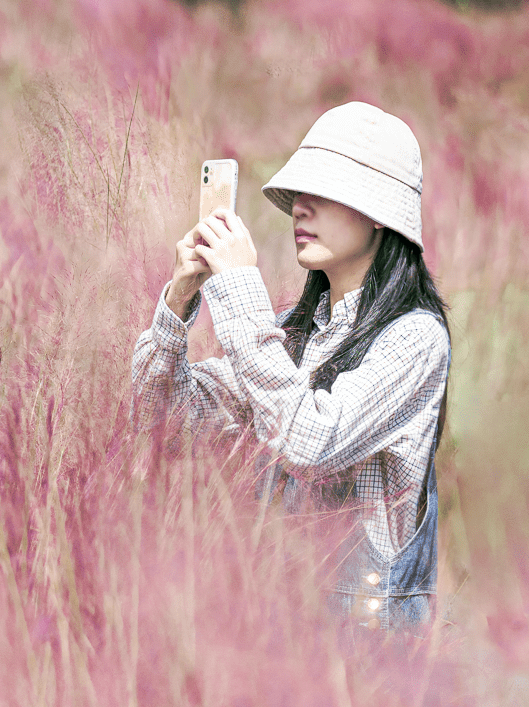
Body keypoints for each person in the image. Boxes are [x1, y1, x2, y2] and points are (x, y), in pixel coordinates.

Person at [130, 101, 451, 632]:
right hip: (279, 632)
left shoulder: (415, 338)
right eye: (298, 193)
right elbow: (165, 420)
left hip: (367, 650)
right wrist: (180, 298)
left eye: (322, 192)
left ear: (378, 211)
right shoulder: (294, 333)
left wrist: (237, 287)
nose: (300, 207)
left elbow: (310, 440)